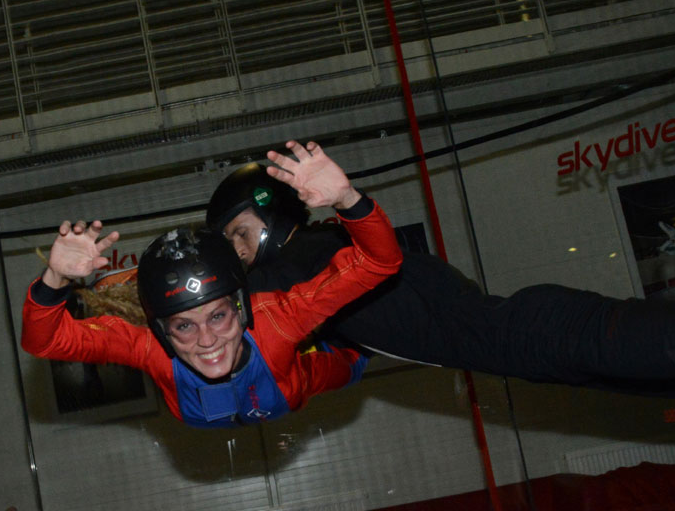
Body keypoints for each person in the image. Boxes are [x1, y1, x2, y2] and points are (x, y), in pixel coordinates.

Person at [205, 144, 675, 395]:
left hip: (534, 332)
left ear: (271, 213)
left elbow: (229, 302)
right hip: (528, 344)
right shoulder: (319, 276)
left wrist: (345, 199)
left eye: (238, 233)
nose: (236, 251)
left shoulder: (305, 257)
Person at [21, 141, 404, 428]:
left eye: (218, 316)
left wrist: (346, 198)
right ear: (162, 331)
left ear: (241, 308)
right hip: (242, 404)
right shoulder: (151, 349)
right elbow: (45, 342)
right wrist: (55, 278)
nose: (207, 342)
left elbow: (380, 262)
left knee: (347, 366)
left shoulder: (275, 321)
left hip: (292, 385)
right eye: (184, 326)